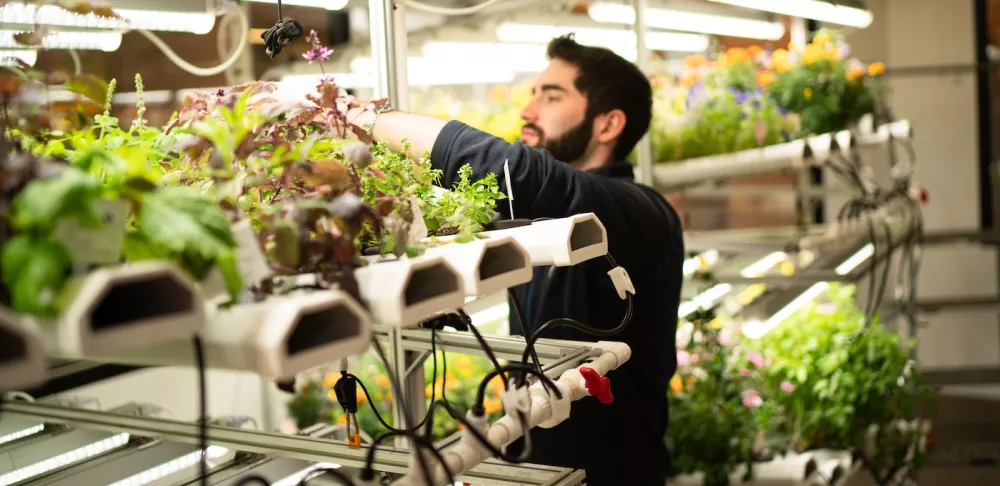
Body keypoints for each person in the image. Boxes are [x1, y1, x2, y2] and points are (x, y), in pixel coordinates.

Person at [344, 35, 683, 485]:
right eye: (533, 94)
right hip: (541, 466)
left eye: (552, 95)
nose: (528, 110)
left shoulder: (640, 209)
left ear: (608, 125)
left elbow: (515, 172)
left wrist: (356, 117)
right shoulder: (538, 220)